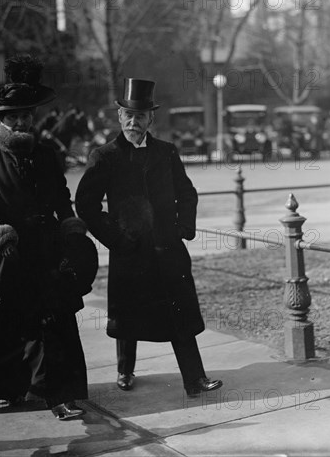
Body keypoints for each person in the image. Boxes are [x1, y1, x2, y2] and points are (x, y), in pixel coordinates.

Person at [75, 78, 223, 397]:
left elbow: (187, 193)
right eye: (128, 114)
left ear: (151, 118)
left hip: (167, 249)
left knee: (179, 314)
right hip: (130, 251)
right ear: (119, 117)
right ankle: (125, 371)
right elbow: (85, 204)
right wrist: (115, 237)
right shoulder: (106, 156)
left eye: (140, 115)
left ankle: (194, 379)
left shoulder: (167, 153)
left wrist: (184, 227)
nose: (133, 121)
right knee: (129, 315)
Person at [0, 55, 97, 420]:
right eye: (13, 116)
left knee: (54, 320)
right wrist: (1, 238)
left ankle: (58, 395)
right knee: (13, 324)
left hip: (47, 248)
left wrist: (71, 226)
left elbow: (62, 197)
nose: (21, 121)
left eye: (26, 115)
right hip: (8, 254)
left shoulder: (46, 155)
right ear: (0, 120)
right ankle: (15, 388)